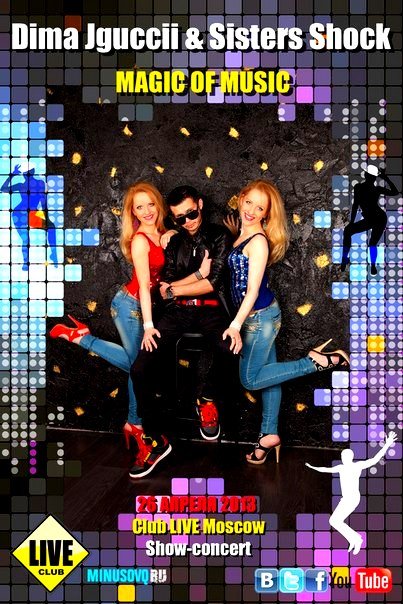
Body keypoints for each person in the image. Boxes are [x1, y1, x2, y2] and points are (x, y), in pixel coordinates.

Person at [49, 182, 193, 463]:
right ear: (133, 212)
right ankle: (135, 423)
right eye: (139, 207)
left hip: (144, 306)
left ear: (158, 204)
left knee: (139, 367)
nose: (147, 211)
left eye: (151, 204)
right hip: (130, 306)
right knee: (140, 368)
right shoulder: (140, 240)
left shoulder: (164, 232)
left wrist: (173, 232)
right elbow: (144, 286)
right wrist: (149, 326)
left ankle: (82, 338)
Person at [222, 180, 350, 465]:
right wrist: (234, 233)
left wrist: (235, 325)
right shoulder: (243, 233)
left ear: (267, 214)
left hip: (259, 320)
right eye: (249, 202)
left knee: (250, 379)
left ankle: (316, 362)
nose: (252, 211)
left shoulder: (258, 242)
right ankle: (269, 435)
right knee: (269, 377)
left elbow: (251, 290)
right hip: (258, 318)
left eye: (260, 208)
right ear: (240, 199)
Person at [129, 185, 233, 478]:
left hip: (211, 310)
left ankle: (207, 399)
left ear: (200, 205)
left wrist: (179, 287)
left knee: (230, 347)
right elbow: (164, 289)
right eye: (180, 218)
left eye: (191, 214)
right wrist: (194, 278)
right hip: (177, 313)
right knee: (140, 368)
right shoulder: (173, 241)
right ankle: (155, 440)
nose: (188, 221)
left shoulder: (219, 235)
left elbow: (213, 282)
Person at [306, 431, 397, 554]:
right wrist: (313, 467)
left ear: (351, 457)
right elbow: (326, 469)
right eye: (342, 456)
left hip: (352, 499)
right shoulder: (341, 467)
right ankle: (355, 539)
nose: (343, 458)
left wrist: (387, 444)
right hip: (346, 499)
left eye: (345, 456)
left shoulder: (357, 466)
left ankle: (356, 540)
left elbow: (375, 459)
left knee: (334, 521)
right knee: (335, 521)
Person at [340, 165, 398, 275]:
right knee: (372, 243)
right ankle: (370, 265)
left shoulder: (359, 187)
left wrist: (352, 222)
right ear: (374, 178)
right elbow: (395, 192)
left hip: (376, 219)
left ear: (366, 175)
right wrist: (385, 178)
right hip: (379, 218)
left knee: (350, 232)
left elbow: (356, 205)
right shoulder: (376, 189)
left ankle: (347, 259)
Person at [1, 162, 58, 270]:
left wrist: (12, 175)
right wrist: (47, 218)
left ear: (23, 175)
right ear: (33, 172)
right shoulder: (40, 184)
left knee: (25, 238)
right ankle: (52, 255)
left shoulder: (22, 185)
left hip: (21, 214)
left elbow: (3, 189)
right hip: (26, 214)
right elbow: (43, 203)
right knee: (49, 228)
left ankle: (28, 262)